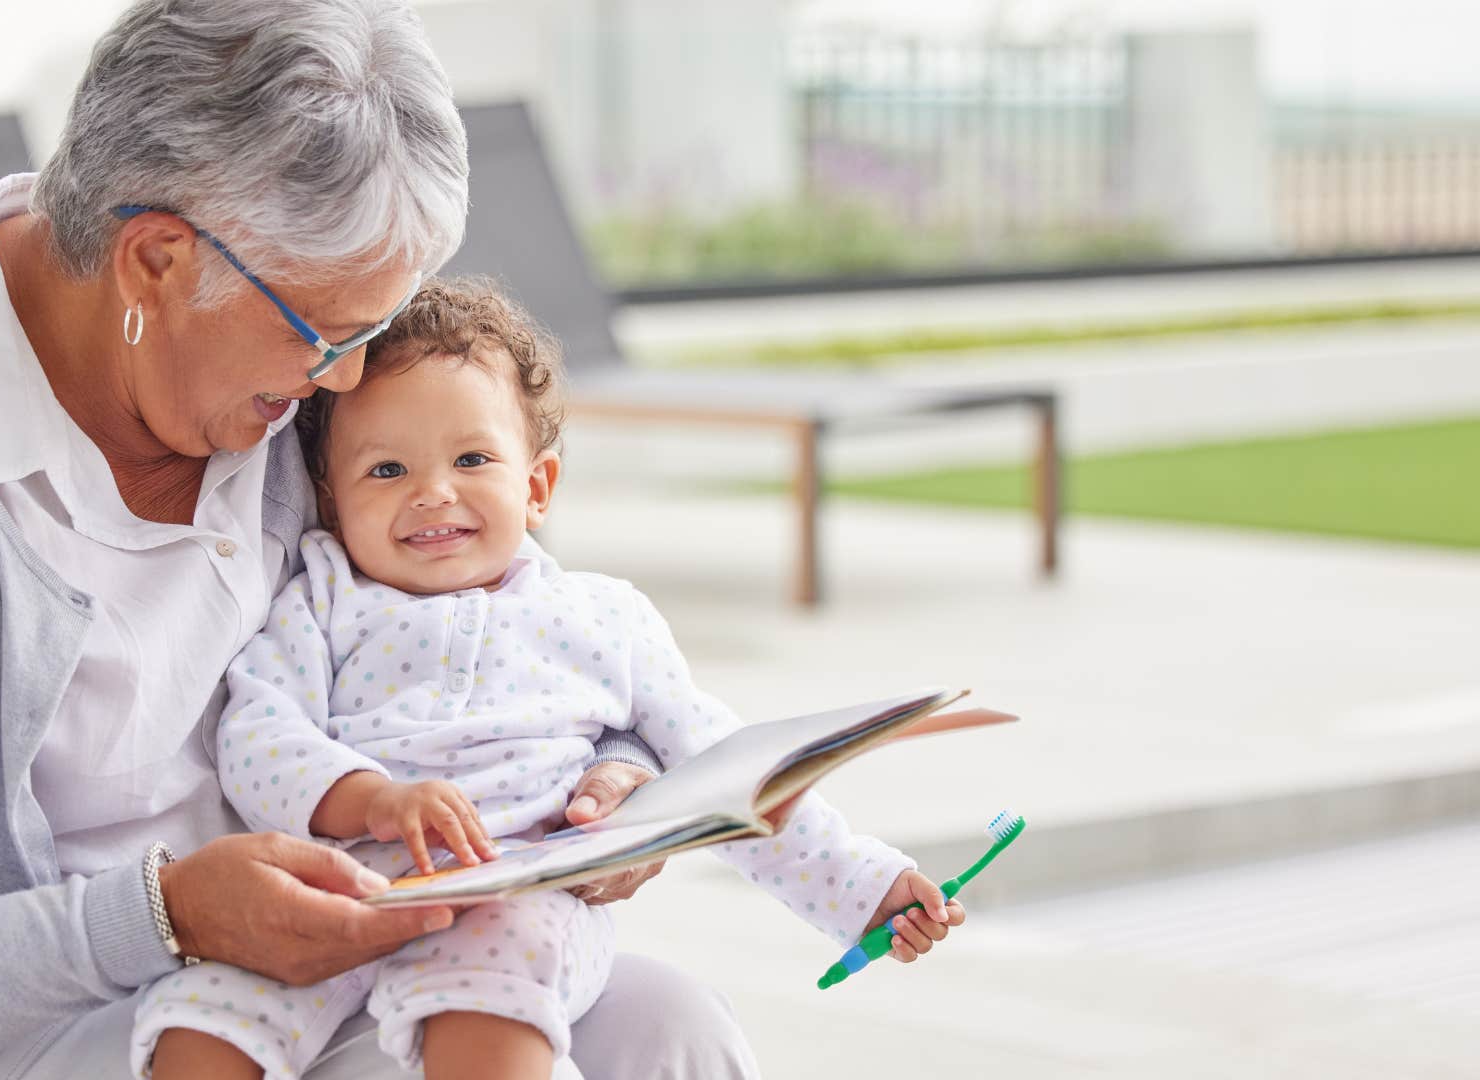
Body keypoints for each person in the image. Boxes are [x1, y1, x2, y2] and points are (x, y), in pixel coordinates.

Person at [0, 3, 758, 1077]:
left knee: (674, 1032)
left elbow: (488, 624)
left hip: (316, 968)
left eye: (370, 329)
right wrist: (166, 916)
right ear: (155, 261)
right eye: (324, 332)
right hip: (26, 1027)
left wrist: (613, 778)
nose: (345, 380)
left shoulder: (264, 392)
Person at [132, 280, 969, 1080]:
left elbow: (728, 769)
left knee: (488, 1006)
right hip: (338, 889)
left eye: (470, 459)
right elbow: (257, 734)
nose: (432, 494)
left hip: (522, 895)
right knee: (203, 1012)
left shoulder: (603, 617)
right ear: (330, 497)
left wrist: (862, 886)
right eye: (386, 471)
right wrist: (371, 802)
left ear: (536, 487)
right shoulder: (321, 597)